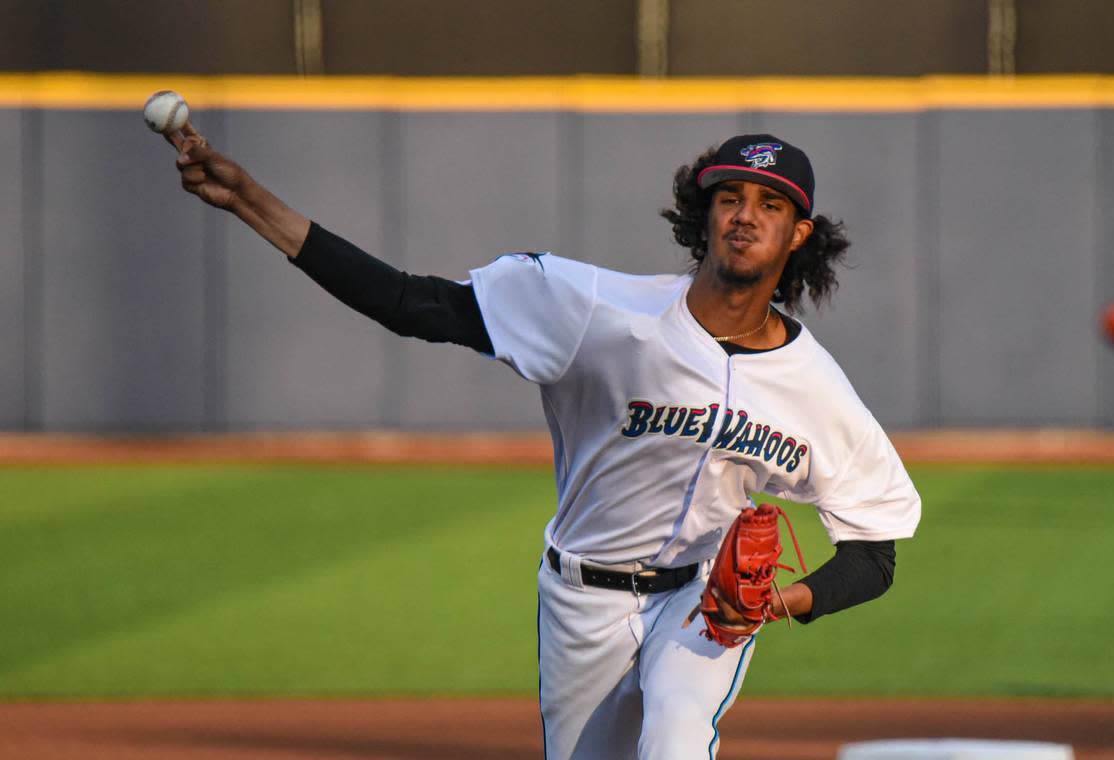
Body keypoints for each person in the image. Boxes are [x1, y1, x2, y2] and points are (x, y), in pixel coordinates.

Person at [165, 124, 921, 759]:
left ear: (799, 232)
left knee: (676, 738)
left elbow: (874, 552)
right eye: (729, 197)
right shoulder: (597, 312)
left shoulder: (815, 387)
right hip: (580, 598)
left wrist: (775, 603)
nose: (745, 215)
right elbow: (407, 303)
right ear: (707, 214)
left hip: (701, 601)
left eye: (769, 203)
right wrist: (249, 201)